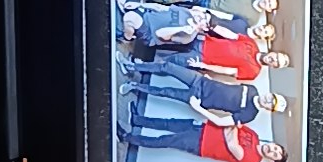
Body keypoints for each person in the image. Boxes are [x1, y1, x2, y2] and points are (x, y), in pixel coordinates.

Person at [120, 56, 287, 125]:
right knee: (168, 67)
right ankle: (131, 66)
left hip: (199, 99)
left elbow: (221, 122)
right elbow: (228, 84)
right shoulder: (252, 89)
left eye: (271, 104)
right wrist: (208, 74)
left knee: (164, 92)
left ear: (269, 109)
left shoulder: (250, 115)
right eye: (271, 97)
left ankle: (134, 86)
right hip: (201, 80)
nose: (268, 100)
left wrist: (198, 108)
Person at [120, 111, 287, 162]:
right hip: (204, 127)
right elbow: (231, 123)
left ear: (271, 159)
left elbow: (232, 145)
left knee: (166, 140)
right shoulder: (254, 135)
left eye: (275, 155)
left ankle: (128, 137)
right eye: (276, 148)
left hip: (201, 145)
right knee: (169, 123)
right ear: (273, 143)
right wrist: (231, 130)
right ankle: (137, 119)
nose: (272, 150)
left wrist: (231, 130)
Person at [114, 0, 207, 48]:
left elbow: (160, 34)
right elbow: (160, 8)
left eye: (204, 19)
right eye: (204, 15)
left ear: (204, 27)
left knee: (130, 17)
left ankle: (127, 37)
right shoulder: (186, 12)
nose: (201, 16)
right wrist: (139, 5)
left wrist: (181, 28)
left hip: (149, 33)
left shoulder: (188, 37)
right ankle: (127, 20)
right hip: (147, 15)